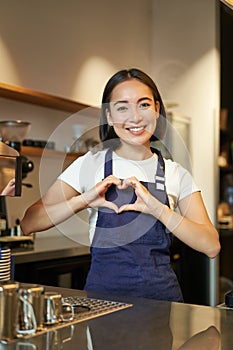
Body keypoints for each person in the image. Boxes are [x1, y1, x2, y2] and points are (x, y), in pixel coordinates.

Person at [20, 68, 220, 302]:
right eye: (122, 107)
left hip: (162, 303)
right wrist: (83, 200)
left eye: (143, 105)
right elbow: (29, 223)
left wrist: (158, 209)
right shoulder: (90, 164)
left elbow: (211, 246)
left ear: (157, 109)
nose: (135, 117)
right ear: (109, 115)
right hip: (101, 303)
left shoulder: (176, 173)